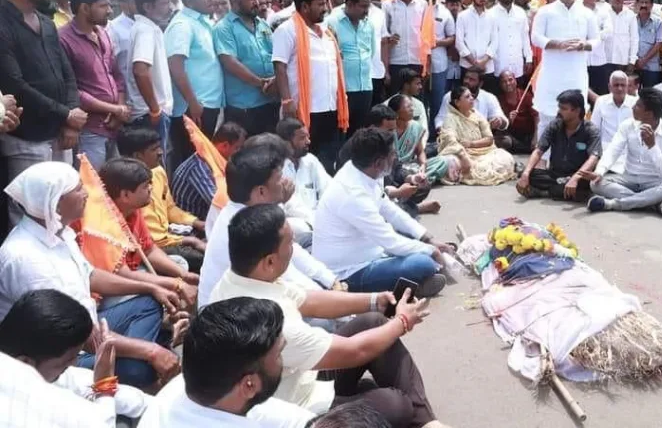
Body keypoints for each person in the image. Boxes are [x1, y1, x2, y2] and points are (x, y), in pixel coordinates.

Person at [210, 205, 442, 425]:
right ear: (269, 261)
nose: (294, 249)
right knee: (395, 405)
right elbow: (354, 351)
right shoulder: (271, 321)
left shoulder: (238, 279)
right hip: (300, 409)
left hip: (302, 377)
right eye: (290, 244)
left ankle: (427, 423)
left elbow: (309, 300)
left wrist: (374, 301)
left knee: (374, 322)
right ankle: (415, 418)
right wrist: (402, 321)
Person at [0, 162, 179, 389]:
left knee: (148, 302)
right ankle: (140, 357)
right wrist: (150, 351)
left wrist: (151, 287)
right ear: (54, 201)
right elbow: (77, 336)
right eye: (78, 189)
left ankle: (136, 352)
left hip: (89, 326)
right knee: (141, 370)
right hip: (65, 354)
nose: (86, 193)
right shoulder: (26, 259)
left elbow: (90, 275)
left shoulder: (60, 232)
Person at [198, 140, 340, 307]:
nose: (285, 182)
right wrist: (336, 296)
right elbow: (293, 280)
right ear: (261, 192)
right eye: (279, 179)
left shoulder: (246, 210)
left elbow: (290, 250)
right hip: (230, 323)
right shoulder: (250, 227)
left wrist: (331, 280)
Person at [0, 0, 86, 224]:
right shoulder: (3, 25)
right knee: (30, 212)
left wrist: (70, 118)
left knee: (64, 204)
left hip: (60, 133)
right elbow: (14, 84)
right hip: (27, 137)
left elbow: (67, 74)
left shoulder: (48, 25)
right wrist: (65, 114)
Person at [314, 127, 451, 295]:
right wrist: (431, 250)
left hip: (373, 250)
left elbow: (390, 210)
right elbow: (390, 241)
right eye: (393, 154)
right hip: (350, 272)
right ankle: (407, 288)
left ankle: (409, 285)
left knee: (416, 242)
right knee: (424, 263)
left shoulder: (365, 171)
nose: (396, 158)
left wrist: (428, 238)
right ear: (378, 163)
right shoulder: (352, 194)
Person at [138, 297, 315, 427]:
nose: (281, 360)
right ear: (249, 385)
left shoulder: (178, 390)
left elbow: (272, 414)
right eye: (279, 354)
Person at [0, 289, 149, 426]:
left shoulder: (39, 369)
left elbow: (81, 384)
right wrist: (105, 386)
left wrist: (158, 406)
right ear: (25, 363)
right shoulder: (19, 409)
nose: (75, 363)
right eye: (65, 362)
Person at [88, 157, 201, 302]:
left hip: (133, 268)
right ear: (125, 195)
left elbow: (149, 250)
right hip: (109, 286)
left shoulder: (133, 210)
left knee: (179, 264)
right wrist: (175, 284)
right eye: (145, 186)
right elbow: (123, 274)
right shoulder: (102, 223)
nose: (151, 189)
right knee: (150, 299)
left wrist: (183, 275)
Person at [273, 0, 345, 172]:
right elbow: (279, 67)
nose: (326, 9)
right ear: (305, 6)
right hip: (304, 110)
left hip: (330, 106)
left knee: (328, 160)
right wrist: (287, 100)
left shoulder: (326, 33)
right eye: (320, 4)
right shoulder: (287, 30)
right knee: (302, 160)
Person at [58, 0, 129, 169]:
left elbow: (116, 75)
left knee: (115, 185)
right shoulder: (63, 39)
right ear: (84, 8)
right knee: (92, 187)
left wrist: (119, 108)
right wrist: (113, 109)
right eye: (103, 6)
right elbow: (72, 89)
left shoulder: (103, 33)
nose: (109, 11)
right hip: (89, 130)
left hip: (113, 125)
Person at [119, 127, 207, 273]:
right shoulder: (125, 185)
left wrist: (197, 223)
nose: (161, 152)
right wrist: (188, 241)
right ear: (137, 155)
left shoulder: (159, 172)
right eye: (154, 149)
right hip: (155, 246)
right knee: (206, 259)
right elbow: (151, 239)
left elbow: (170, 208)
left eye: (160, 147)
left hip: (172, 236)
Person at [580, 88, 662, 216]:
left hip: (653, 182)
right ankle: (652, 202)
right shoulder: (627, 126)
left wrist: (653, 147)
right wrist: (599, 171)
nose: (633, 107)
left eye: (638, 105)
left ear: (649, 113)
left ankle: (613, 204)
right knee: (595, 183)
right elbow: (613, 150)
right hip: (628, 179)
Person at [530, 0, 600, 134]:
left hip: (576, 74)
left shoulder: (587, 14)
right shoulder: (545, 11)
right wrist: (557, 44)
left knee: (575, 120)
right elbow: (535, 37)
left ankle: (571, 159)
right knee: (547, 119)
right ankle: (543, 158)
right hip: (552, 75)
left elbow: (596, 40)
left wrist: (584, 45)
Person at [165, 0, 225, 167]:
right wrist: (192, 101)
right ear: (189, 0)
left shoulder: (204, 22)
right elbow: (175, 65)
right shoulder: (182, 25)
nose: (211, 0)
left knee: (205, 159)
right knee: (192, 161)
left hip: (209, 102)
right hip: (194, 106)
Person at [214, 0, 279, 137]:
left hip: (270, 100)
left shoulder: (262, 24)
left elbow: (275, 54)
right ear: (235, 1)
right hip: (244, 105)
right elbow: (229, 62)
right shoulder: (224, 28)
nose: (257, 2)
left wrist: (275, 81)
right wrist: (261, 83)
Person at [517, 90, 601, 201]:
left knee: (588, 184)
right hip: (554, 175)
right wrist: (526, 173)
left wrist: (575, 178)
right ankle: (561, 193)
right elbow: (539, 151)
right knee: (526, 174)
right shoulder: (555, 125)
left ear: (577, 111)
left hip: (577, 176)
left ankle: (545, 193)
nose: (559, 111)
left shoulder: (591, 130)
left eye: (563, 109)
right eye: (559, 107)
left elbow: (593, 158)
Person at [125, 0, 175, 164]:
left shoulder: (149, 28)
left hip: (153, 112)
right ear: (147, 6)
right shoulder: (145, 30)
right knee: (154, 169)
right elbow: (140, 70)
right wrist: (155, 109)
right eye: (164, 3)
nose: (169, 8)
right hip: (149, 114)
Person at [360, 106, 436, 216]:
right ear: (373, 128)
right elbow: (369, 189)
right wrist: (397, 193)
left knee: (422, 186)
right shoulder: (361, 150)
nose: (393, 133)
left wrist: (412, 178)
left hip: (388, 191)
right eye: (389, 130)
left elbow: (397, 168)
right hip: (368, 199)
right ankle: (412, 209)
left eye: (394, 129)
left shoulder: (387, 144)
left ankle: (405, 208)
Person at [438, 87, 517, 186]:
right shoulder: (451, 118)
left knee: (505, 156)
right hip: (463, 154)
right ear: (457, 102)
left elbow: (489, 139)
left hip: (484, 152)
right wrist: (463, 156)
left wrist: (472, 144)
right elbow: (450, 141)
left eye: (471, 96)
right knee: (452, 162)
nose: (472, 98)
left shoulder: (477, 115)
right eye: (467, 97)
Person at [171, 122, 247, 222]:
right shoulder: (201, 166)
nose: (241, 152)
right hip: (192, 223)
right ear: (225, 145)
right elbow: (218, 202)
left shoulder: (215, 160)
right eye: (238, 148)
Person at [325, 0, 376, 133]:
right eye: (362, 7)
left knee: (359, 131)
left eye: (368, 7)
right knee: (341, 131)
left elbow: (370, 52)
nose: (366, 11)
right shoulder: (332, 22)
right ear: (349, 4)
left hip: (365, 86)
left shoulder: (368, 24)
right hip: (343, 88)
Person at [275, 118, 332, 250]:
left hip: (320, 220)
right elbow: (290, 206)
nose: (308, 141)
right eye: (302, 138)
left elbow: (328, 189)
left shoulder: (310, 160)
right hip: (297, 223)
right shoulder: (276, 168)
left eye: (308, 136)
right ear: (286, 142)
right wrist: (317, 222)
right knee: (300, 228)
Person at [419, 0, 456, 139]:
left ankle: (434, 137)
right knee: (419, 103)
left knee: (437, 103)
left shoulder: (444, 11)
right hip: (418, 64)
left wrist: (437, 42)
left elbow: (452, 37)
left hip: (438, 65)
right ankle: (420, 137)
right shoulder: (416, 8)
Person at [388, 94, 453, 185]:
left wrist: (423, 164)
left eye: (412, 106)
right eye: (408, 107)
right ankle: (415, 180)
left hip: (410, 166)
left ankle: (414, 179)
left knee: (442, 161)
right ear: (397, 112)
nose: (412, 109)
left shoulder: (415, 126)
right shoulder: (389, 128)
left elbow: (420, 151)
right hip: (393, 168)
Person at [384, 0, 428, 94]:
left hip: (417, 60)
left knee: (416, 100)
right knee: (396, 98)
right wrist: (389, 38)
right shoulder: (388, 5)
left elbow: (427, 35)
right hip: (396, 60)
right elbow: (383, 32)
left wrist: (427, 64)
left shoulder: (423, 5)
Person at [487, 0, 532, 91]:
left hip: (517, 65)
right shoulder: (490, 14)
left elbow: (525, 38)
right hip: (498, 65)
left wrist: (529, 59)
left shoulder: (520, 13)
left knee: (517, 97)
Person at [434, 67, 508, 134]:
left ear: (480, 84)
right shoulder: (450, 96)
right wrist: (440, 128)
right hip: (457, 137)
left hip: (481, 137)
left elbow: (503, 121)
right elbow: (440, 118)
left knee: (505, 141)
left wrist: (499, 121)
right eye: (466, 78)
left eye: (471, 80)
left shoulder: (489, 97)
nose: (466, 81)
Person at [591, 71, 638, 152]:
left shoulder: (636, 103)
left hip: (629, 149)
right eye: (616, 85)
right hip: (606, 148)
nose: (620, 88)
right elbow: (594, 128)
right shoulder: (601, 101)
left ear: (627, 87)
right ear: (609, 87)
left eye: (623, 85)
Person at [581, 0, 614, 97]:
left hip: (599, 61)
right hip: (580, 61)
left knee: (601, 97)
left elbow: (608, 31)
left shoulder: (603, 11)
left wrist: (592, 37)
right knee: (580, 97)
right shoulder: (575, 10)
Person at [495, 69, 536, 154]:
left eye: (510, 80)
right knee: (503, 141)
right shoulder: (498, 100)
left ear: (515, 80)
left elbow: (536, 117)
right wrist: (508, 120)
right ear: (500, 85)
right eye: (504, 81)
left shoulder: (526, 95)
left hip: (528, 135)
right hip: (512, 137)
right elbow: (499, 127)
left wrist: (535, 137)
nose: (508, 83)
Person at [604, 0, 639, 79]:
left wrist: (632, 61)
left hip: (623, 61)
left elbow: (634, 39)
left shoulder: (630, 15)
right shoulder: (603, 13)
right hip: (605, 60)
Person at [634, 0, 662, 89]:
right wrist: (635, 61)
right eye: (641, 2)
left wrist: (643, 60)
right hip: (633, 66)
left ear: (652, 5)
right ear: (637, 4)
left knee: (650, 96)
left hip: (651, 67)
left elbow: (659, 43)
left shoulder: (658, 21)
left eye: (646, 2)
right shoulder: (631, 20)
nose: (644, 5)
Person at [108, 0, 137, 84]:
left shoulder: (151, 24)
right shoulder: (114, 28)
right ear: (123, 4)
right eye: (135, 1)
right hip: (128, 92)